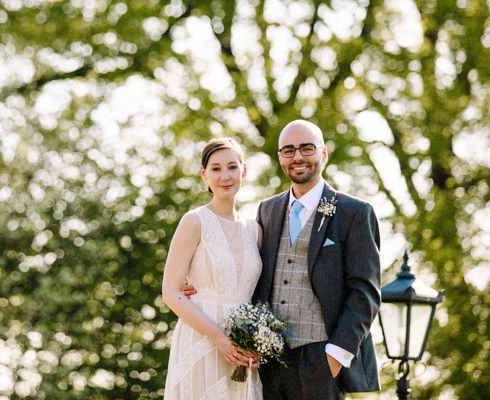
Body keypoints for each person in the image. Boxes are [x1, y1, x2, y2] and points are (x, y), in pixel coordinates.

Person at [253, 119, 381, 400]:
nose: (297, 156)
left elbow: (366, 292)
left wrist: (336, 355)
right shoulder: (267, 211)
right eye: (288, 150)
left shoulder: (354, 212)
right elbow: (251, 270)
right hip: (270, 361)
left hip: (321, 359)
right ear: (279, 158)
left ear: (323, 154)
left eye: (306, 148)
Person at [162, 137, 263, 400]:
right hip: (202, 339)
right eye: (216, 168)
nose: (225, 176)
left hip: (243, 349)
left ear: (244, 170)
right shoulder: (194, 221)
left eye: (231, 166)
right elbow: (171, 293)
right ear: (204, 174)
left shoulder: (255, 229)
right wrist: (219, 339)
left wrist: (260, 342)